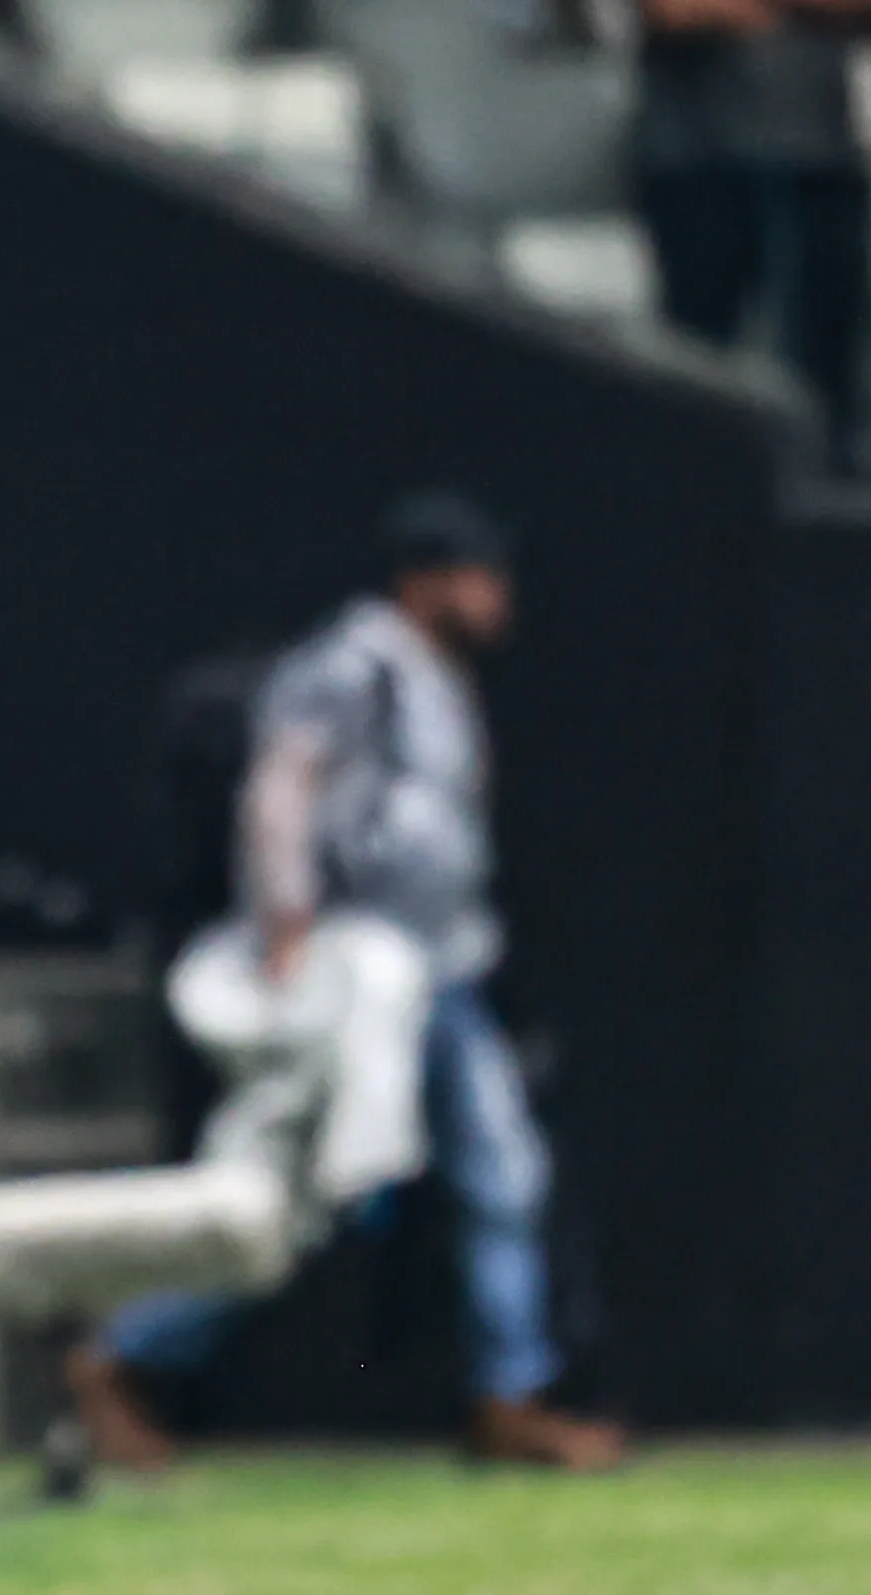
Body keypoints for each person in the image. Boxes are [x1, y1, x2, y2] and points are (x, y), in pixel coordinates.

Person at [67, 494, 621, 1473]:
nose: (497, 598)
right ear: (426, 578)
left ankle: (511, 1390)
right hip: (357, 971)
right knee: (302, 1192)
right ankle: (122, 1354)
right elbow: (282, 787)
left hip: (435, 969)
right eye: (478, 575)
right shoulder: (353, 665)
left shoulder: (436, 678)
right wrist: (287, 926)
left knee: (503, 1172)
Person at [630, 0, 871, 469]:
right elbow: (678, 11)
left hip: (819, 160)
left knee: (828, 376)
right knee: (700, 373)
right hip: (697, 161)